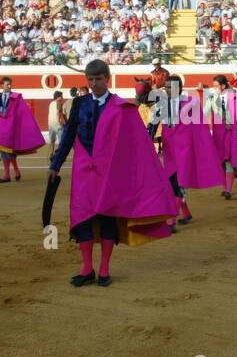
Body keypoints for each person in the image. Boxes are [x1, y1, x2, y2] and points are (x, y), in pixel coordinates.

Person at [49, 59, 177, 287]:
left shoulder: (121, 107)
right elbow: (68, 137)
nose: (95, 83)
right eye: (91, 79)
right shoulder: (79, 104)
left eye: (99, 79)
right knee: (82, 220)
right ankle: (87, 268)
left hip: (109, 174)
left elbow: (134, 146)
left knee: (107, 218)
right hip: (83, 174)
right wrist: (55, 165)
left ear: (107, 79)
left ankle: (104, 269)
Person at [150, 74, 225, 227]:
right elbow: (152, 124)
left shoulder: (191, 103)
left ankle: (171, 221)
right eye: (167, 87)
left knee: (177, 184)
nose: (168, 90)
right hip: (170, 152)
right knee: (173, 183)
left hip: (185, 151)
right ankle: (186, 213)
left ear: (179, 88)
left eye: (171, 87)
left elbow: (199, 129)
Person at [0, 76, 45, 183]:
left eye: (10, 84)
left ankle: (10, 174)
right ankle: (10, 173)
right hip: (1, 128)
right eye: (7, 84)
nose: (9, 86)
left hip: (12, 128)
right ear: (1, 85)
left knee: (9, 151)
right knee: (5, 151)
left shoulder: (16, 98)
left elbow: (22, 114)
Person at [205, 74, 237, 200]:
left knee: (228, 160)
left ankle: (228, 190)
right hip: (218, 133)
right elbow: (205, 112)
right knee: (220, 162)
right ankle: (225, 188)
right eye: (213, 86)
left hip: (230, 132)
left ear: (223, 86)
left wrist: (231, 122)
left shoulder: (234, 96)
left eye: (216, 86)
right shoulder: (213, 97)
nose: (214, 88)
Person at [47, 90, 68, 159]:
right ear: (58, 97)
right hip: (57, 124)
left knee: (52, 141)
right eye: (61, 96)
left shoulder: (51, 103)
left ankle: (50, 154)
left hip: (50, 124)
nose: (62, 98)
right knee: (61, 141)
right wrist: (61, 123)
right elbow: (58, 114)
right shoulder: (59, 103)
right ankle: (59, 155)